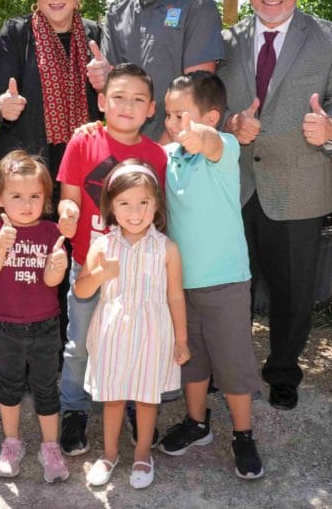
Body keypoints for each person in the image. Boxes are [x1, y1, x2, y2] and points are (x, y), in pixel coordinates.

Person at [220, 0, 332, 411]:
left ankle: (283, 370)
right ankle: (230, 367)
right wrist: (230, 126)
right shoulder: (227, 43)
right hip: (235, 186)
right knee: (230, 287)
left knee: (294, 292)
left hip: (299, 188)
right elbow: (212, 107)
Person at [0, 0, 103, 343]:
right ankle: (30, 340)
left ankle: (75, 340)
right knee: (30, 257)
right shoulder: (17, 33)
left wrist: (105, 86)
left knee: (73, 252)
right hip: (31, 167)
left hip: (79, 167)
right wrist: (5, 104)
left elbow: (108, 108)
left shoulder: (95, 35)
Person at [55, 63, 168, 455]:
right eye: (118, 97)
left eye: (138, 99)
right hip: (88, 265)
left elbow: (159, 214)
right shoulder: (83, 142)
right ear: (101, 101)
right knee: (80, 343)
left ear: (151, 109)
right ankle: (73, 409)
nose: (127, 106)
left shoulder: (156, 155)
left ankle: (138, 405)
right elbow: (68, 197)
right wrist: (67, 213)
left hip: (138, 271)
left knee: (136, 341)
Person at [157, 72, 264, 479]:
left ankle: (242, 433)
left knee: (233, 364)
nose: (171, 123)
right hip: (179, 285)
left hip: (224, 281)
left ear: (212, 116)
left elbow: (212, 142)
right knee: (191, 359)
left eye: (180, 114)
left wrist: (200, 135)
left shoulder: (226, 147)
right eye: (167, 114)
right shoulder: (167, 157)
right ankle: (197, 423)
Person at [76, 159, 187, 490]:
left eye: (143, 202)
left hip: (153, 331)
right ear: (111, 206)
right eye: (124, 203)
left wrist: (181, 340)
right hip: (112, 331)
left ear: (156, 205)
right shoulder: (102, 245)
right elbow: (81, 290)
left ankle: (142, 454)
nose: (135, 212)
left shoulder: (167, 248)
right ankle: (109, 454)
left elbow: (176, 297)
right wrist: (99, 274)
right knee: (112, 396)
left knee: (146, 396)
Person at [0, 151, 70, 483]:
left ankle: (50, 446)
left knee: (47, 387)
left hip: (46, 323)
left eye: (35, 196)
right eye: (17, 196)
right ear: (0, 197)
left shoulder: (50, 232)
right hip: (6, 325)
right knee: (10, 385)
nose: (26, 203)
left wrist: (56, 268)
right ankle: (11, 443)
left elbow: (51, 282)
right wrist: (3, 242)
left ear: (46, 198)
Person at [98, 0, 224, 141]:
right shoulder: (117, 13)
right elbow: (112, 90)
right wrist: (101, 80)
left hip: (176, 155)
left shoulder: (197, 7)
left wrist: (159, 152)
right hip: (125, 151)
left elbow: (198, 95)